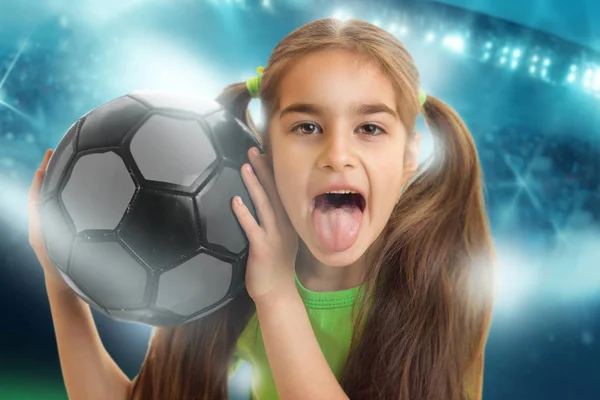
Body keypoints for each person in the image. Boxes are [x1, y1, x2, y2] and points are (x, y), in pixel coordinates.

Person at [28, 17, 496, 400]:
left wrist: (275, 295)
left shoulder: (442, 279)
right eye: (307, 127)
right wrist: (59, 277)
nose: (337, 154)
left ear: (409, 157)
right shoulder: (221, 259)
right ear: (263, 149)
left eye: (370, 129)